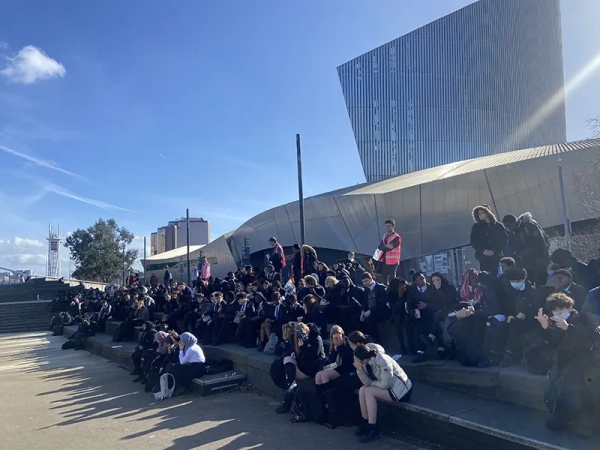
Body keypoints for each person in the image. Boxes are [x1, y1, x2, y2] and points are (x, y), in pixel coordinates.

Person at [534, 293, 600, 431]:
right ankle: (560, 418)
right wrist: (545, 328)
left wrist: (568, 328)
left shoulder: (583, 319)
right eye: (555, 313)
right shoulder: (557, 323)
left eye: (561, 311)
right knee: (549, 393)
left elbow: (590, 339)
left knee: (569, 394)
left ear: (570, 308)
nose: (559, 315)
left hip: (580, 363)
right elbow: (553, 343)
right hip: (561, 361)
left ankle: (571, 421)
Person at [353, 344, 412, 443]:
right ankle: (365, 422)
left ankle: (373, 429)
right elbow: (366, 383)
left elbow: (385, 384)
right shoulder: (366, 363)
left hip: (402, 391)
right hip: (390, 387)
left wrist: (371, 384)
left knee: (369, 391)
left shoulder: (383, 360)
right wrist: (360, 370)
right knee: (363, 389)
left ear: (363, 359)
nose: (355, 361)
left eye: (357, 359)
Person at [499, 268, 543, 367]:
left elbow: (538, 309)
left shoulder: (533, 292)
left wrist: (525, 314)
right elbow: (507, 306)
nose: (515, 283)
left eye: (517, 281)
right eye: (512, 281)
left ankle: (509, 353)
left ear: (523, 279)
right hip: (515, 318)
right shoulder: (510, 291)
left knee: (516, 325)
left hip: (532, 321)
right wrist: (510, 315)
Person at [502, 213, 550, 286]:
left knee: (541, 282)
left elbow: (540, 244)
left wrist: (523, 254)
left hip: (539, 260)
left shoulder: (530, 226)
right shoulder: (513, 232)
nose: (509, 228)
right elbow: (510, 246)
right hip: (526, 262)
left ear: (515, 221)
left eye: (510, 226)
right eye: (506, 227)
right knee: (529, 283)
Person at [281, 323, 326, 392]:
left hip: (312, 366)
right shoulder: (298, 339)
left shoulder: (316, 338)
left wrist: (303, 346)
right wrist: (293, 353)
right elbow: (293, 350)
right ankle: (290, 385)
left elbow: (314, 355)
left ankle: (290, 388)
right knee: (287, 359)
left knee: (288, 373)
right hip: (301, 364)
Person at [350, 272, 389, 342]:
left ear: (371, 279)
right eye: (363, 282)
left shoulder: (381, 288)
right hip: (369, 311)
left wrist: (371, 311)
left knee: (369, 320)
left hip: (380, 311)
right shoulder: (366, 289)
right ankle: (361, 339)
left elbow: (383, 304)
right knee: (355, 318)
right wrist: (362, 312)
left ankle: (376, 340)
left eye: (366, 281)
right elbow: (364, 302)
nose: (365, 283)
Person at [470, 205, 507, 274]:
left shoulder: (498, 226)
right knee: (486, 276)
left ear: (487, 213)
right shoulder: (476, 227)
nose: (479, 215)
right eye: (478, 214)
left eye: (481, 213)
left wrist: (494, 250)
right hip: (483, 257)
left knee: (498, 275)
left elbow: (503, 240)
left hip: (497, 256)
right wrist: (483, 250)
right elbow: (473, 241)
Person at [375, 219, 402, 285]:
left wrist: (384, 247)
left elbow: (390, 247)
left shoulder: (397, 237)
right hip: (385, 261)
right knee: (384, 278)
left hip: (393, 262)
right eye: (386, 226)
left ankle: (393, 292)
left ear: (393, 226)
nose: (388, 228)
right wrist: (385, 246)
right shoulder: (384, 236)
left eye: (389, 226)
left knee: (392, 279)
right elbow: (379, 247)